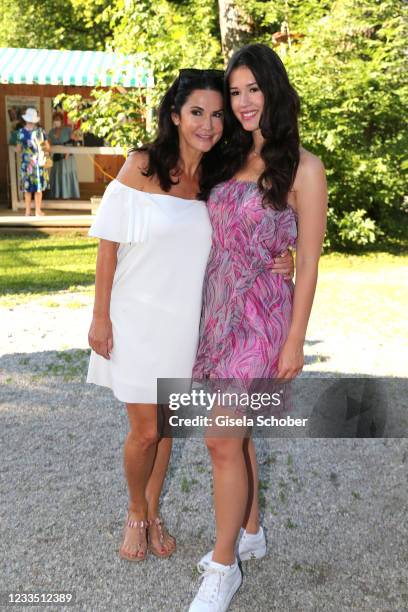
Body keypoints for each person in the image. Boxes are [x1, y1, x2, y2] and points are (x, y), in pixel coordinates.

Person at [86, 69, 294, 563]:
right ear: (175, 115)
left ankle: (155, 512)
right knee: (146, 431)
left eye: (218, 114)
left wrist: (285, 255)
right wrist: (101, 318)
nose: (208, 123)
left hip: (188, 326)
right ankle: (136, 512)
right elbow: (107, 248)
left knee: (169, 429)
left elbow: (248, 230)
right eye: (197, 112)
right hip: (135, 319)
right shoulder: (141, 166)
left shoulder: (217, 178)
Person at [189, 43, 328, 612]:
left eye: (254, 89)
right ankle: (251, 533)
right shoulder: (226, 156)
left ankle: (224, 569)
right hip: (216, 310)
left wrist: (296, 338)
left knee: (221, 439)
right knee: (234, 435)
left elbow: (312, 260)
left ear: (273, 90)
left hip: (265, 317)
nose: (244, 102)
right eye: (236, 92)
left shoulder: (305, 167)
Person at [16, 108, 50, 216]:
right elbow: (47, 147)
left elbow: (18, 149)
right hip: (38, 162)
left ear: (26, 119)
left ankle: (27, 211)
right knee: (38, 188)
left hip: (26, 164)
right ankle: (38, 211)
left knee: (27, 188)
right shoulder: (40, 132)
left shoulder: (21, 132)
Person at [48, 111, 80, 199]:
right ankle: (57, 196)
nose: (56, 121)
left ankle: (68, 195)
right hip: (57, 158)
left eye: (58, 119)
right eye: (54, 120)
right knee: (57, 175)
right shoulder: (51, 132)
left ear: (62, 120)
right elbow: (49, 143)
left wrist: (68, 151)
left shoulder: (68, 130)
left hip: (67, 158)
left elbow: (74, 141)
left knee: (66, 174)